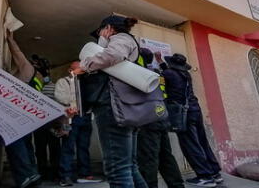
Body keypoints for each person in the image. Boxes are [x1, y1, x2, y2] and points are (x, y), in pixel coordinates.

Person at [71, 15, 147, 188]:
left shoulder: (121, 39)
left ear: (109, 28)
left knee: (117, 170)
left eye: (100, 31)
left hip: (113, 107)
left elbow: (113, 55)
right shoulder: (124, 40)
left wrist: (83, 66)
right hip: (124, 107)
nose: (99, 35)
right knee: (129, 167)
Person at [161, 54, 222, 187]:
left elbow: (160, 80)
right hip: (195, 110)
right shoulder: (186, 75)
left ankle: (204, 176)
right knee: (202, 142)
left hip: (183, 114)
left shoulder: (168, 73)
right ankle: (215, 173)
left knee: (190, 145)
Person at [137, 49, 185, 188]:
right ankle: (177, 185)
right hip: (161, 118)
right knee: (166, 156)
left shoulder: (140, 75)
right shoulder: (158, 74)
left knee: (148, 160)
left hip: (148, 121)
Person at [55, 61, 103, 186]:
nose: (79, 71)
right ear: (69, 70)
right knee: (68, 147)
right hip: (71, 118)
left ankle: (84, 174)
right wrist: (73, 103)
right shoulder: (63, 82)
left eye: (81, 69)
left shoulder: (87, 81)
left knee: (83, 147)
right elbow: (60, 97)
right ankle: (65, 176)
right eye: (76, 69)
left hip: (86, 117)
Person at [4, 34, 42, 188]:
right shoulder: (38, 78)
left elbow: (18, 54)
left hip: (16, 112)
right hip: (28, 114)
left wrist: (10, 38)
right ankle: (33, 173)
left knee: (15, 143)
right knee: (27, 144)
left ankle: (24, 176)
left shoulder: (28, 70)